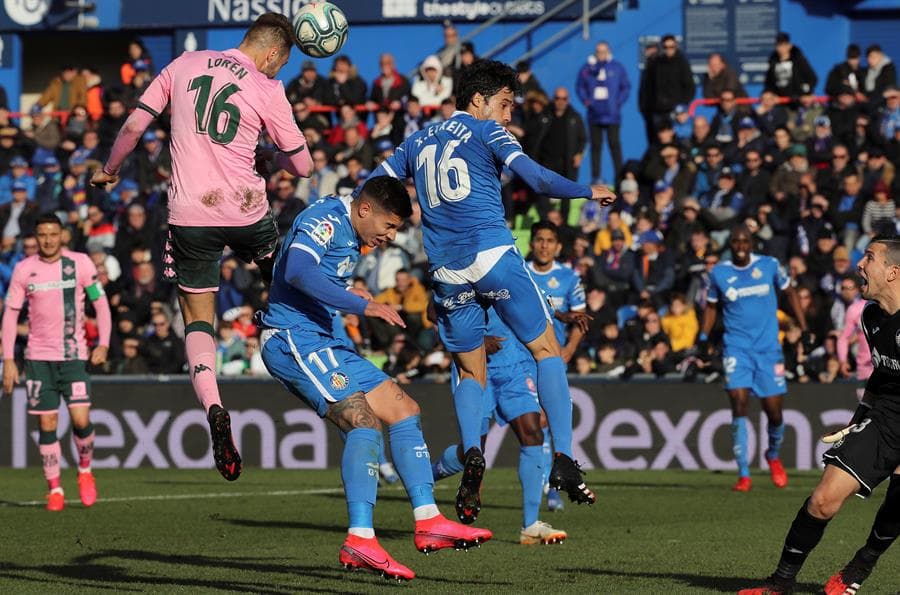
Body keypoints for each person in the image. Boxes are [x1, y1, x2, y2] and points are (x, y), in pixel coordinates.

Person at [367, 59, 614, 522]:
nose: (507, 115)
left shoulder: (416, 140)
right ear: (478, 101)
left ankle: (473, 455)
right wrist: (587, 190)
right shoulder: (487, 133)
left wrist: (381, 225)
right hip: (491, 254)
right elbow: (537, 179)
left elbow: (372, 185)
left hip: (446, 270)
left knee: (469, 368)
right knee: (545, 349)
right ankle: (562, 455)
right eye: (503, 104)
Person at [90, 12, 313, 482]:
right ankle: (307, 355)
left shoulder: (185, 63)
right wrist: (269, 153)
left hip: (191, 217)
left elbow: (133, 125)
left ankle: (215, 408)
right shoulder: (267, 88)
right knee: (290, 281)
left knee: (197, 318)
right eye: (282, 63)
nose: (279, 72)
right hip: (248, 213)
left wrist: (110, 170)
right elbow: (304, 166)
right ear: (272, 53)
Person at [260, 177, 491, 580]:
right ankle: (360, 539)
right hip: (292, 337)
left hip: (325, 340)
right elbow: (296, 271)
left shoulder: (351, 235)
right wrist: (359, 305)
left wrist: (357, 299)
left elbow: (321, 280)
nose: (390, 235)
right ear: (365, 209)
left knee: (404, 409)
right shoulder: (325, 219)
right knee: (362, 422)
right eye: (389, 225)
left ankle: (428, 520)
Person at [739, 236, 900, 594]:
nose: (859, 264)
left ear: (892, 272)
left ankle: (860, 565)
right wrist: (860, 415)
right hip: (887, 415)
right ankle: (780, 584)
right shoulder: (871, 317)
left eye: (869, 258)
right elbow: (882, 370)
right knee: (822, 500)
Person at [1, 213, 111, 511]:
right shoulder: (24, 270)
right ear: (36, 237)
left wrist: (103, 343)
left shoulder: (80, 264)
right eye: (42, 235)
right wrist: (8, 359)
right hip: (38, 360)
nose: (48, 240)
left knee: (80, 420)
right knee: (47, 423)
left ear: (62, 235)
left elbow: (100, 304)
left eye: (53, 234)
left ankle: (85, 470)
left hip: (74, 357)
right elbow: (10, 315)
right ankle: (55, 489)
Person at [432, 307, 569, 545]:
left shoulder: (514, 269)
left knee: (533, 434)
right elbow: (433, 312)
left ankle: (531, 525)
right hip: (473, 364)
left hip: (512, 366)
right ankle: (425, 477)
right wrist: (474, 340)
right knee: (474, 452)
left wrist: (563, 316)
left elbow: (531, 300)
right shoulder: (460, 273)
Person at [699, 224, 808, 492]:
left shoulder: (770, 265)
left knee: (774, 411)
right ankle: (744, 473)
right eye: (735, 242)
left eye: (744, 241)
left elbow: (790, 293)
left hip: (769, 350)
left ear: (751, 243)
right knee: (739, 403)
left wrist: (803, 327)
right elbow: (711, 308)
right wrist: (702, 337)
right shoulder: (719, 273)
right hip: (736, 348)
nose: (740, 246)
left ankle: (772, 455)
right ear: (730, 245)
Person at [576, 41, 630, 185]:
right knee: (596, 147)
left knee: (614, 145)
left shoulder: (617, 68)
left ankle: (620, 179)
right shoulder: (588, 68)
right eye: (598, 51)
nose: (601, 54)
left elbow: (625, 86)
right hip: (594, 115)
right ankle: (596, 179)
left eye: (603, 51)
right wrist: (587, 101)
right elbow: (580, 86)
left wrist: (618, 101)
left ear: (608, 51)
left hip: (612, 115)